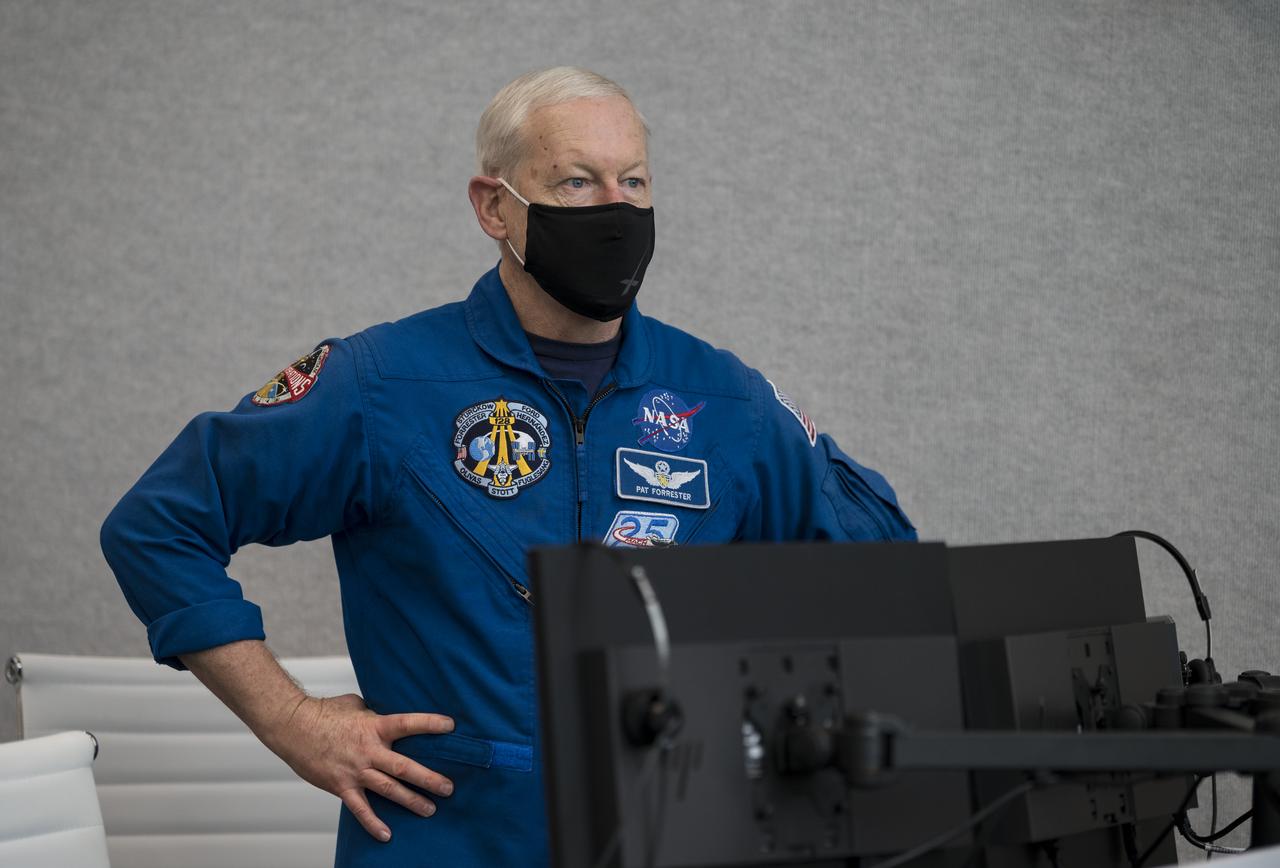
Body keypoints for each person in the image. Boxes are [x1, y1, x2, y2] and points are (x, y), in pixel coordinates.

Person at [100, 66, 916, 867]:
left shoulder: (725, 400)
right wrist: (291, 722)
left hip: (667, 833)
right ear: (495, 207)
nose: (615, 209)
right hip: (449, 841)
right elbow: (158, 527)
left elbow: (886, 576)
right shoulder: (383, 385)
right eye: (575, 183)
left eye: (633, 181)